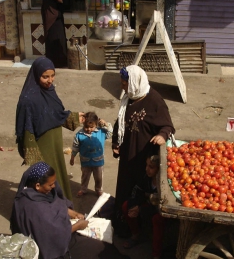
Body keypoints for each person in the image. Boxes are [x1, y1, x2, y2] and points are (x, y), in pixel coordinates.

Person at [10, 162, 129, 259]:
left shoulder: (41, 193)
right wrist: (77, 226)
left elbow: (57, 204)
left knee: (104, 246)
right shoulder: (34, 208)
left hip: (62, 232)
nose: (54, 187)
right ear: (37, 185)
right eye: (50, 185)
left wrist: (72, 213)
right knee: (96, 248)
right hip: (52, 246)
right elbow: (51, 235)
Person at [112, 65, 175, 228]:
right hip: (127, 155)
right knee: (125, 188)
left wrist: (162, 136)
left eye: (125, 84)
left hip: (143, 157)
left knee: (140, 194)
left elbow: (167, 126)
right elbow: (120, 122)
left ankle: (140, 228)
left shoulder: (155, 101)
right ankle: (124, 223)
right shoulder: (129, 98)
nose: (122, 87)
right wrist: (115, 142)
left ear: (134, 83)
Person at [15, 56, 84, 200]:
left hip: (55, 141)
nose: (50, 80)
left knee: (57, 171)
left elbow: (55, 114)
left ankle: (62, 206)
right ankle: (46, 211)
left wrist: (75, 117)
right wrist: (34, 156)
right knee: (45, 177)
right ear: (36, 75)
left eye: (52, 76)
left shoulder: (50, 91)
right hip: (42, 145)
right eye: (45, 77)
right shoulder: (27, 99)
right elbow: (27, 129)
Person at [122, 155, 165, 259]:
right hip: (146, 205)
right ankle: (135, 235)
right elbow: (136, 192)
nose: (147, 169)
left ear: (159, 169)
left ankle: (156, 253)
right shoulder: (145, 177)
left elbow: (160, 206)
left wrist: (140, 209)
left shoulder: (163, 184)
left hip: (159, 210)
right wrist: (135, 206)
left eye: (151, 167)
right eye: (146, 165)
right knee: (126, 206)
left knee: (157, 219)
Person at [70, 112, 113, 197]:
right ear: (83, 124)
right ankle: (83, 189)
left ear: (96, 125)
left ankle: (98, 190)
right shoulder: (79, 135)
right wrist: (72, 158)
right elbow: (75, 147)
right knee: (85, 177)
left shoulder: (101, 132)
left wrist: (106, 124)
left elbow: (111, 132)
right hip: (85, 162)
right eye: (86, 127)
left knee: (99, 178)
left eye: (91, 127)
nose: (89, 129)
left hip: (98, 162)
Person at [41, 0, 67, 68]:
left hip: (58, 27)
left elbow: (61, 12)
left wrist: (61, 3)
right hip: (52, 28)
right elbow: (54, 15)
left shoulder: (55, 2)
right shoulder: (47, 2)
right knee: (53, 46)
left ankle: (61, 63)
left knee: (60, 44)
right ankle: (52, 63)